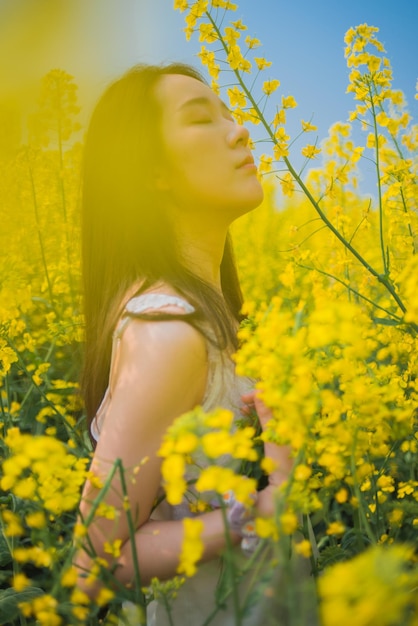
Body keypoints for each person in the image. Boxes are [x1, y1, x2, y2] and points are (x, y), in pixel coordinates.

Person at [75, 62, 294, 625]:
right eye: (202, 120)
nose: (240, 131)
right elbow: (97, 561)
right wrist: (262, 510)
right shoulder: (169, 334)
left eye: (231, 113)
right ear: (151, 172)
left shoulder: (212, 317)